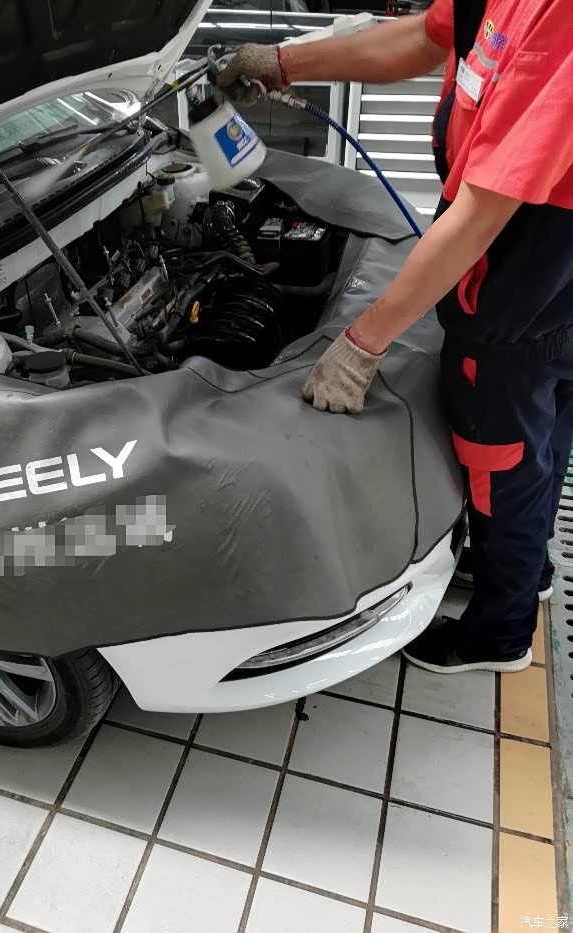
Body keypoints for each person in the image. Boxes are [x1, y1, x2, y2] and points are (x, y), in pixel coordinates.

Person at [217, 0, 573, 675]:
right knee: (542, 436)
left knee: (499, 457)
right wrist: (284, 63)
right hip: (540, 272)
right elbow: (421, 38)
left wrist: (363, 343)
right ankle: (526, 569)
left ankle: (499, 636)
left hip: (525, 276)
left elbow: (482, 214)